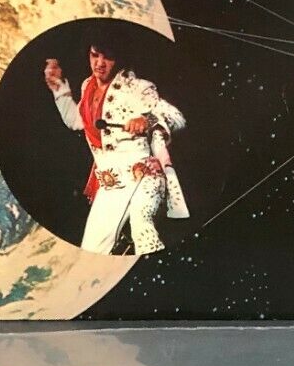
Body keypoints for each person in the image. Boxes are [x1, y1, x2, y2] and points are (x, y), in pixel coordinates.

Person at [43, 38, 187, 255]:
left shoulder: (137, 87)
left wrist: (147, 119)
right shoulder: (87, 86)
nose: (100, 63)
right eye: (95, 55)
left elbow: (177, 117)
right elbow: (77, 122)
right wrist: (59, 91)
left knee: (142, 227)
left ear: (119, 58)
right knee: (92, 251)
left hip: (142, 176)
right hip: (110, 185)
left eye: (108, 57)